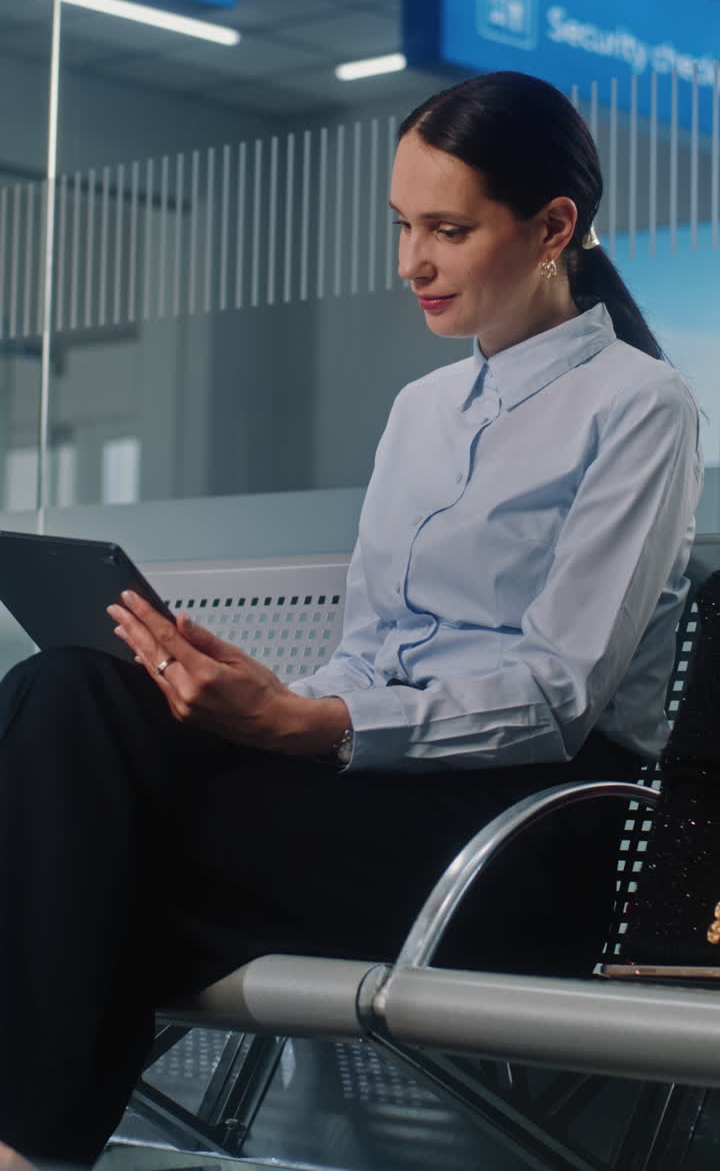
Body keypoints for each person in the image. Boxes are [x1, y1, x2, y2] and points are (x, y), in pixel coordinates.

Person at [0, 70, 702, 1167]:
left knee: (77, 840)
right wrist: (273, 696)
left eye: (447, 229)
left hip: (510, 837)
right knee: (65, 687)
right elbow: (371, 649)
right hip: (369, 798)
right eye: (401, 225)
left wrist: (309, 724)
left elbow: (559, 697)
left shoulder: (640, 406)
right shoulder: (420, 411)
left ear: (554, 224)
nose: (408, 263)